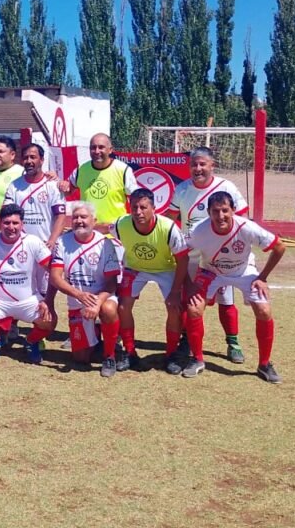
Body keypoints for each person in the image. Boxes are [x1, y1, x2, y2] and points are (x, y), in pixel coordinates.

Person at [180, 191, 285, 383]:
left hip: (244, 271)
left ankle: (264, 364)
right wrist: (190, 282)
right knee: (193, 308)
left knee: (264, 310)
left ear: (233, 210)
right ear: (209, 213)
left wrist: (262, 278)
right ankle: (196, 359)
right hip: (211, 271)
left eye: (225, 211)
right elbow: (181, 252)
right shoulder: (198, 231)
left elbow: (279, 246)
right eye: (215, 211)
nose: (220, 216)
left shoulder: (247, 227)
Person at [165, 146, 250, 364]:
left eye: (203, 164)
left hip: (220, 255)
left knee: (225, 299)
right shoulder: (182, 189)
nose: (198, 168)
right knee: (189, 300)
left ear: (212, 165)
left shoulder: (226, 187)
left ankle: (233, 342)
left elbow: (242, 217)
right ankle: (187, 341)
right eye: (194, 164)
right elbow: (171, 217)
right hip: (192, 257)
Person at [111, 188, 188, 374]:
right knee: (122, 306)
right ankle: (129, 353)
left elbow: (183, 259)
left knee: (174, 306)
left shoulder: (168, 227)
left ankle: (171, 354)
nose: (138, 212)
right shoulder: (121, 224)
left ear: (154, 208)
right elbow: (105, 229)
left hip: (165, 269)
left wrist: (176, 291)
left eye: (143, 207)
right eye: (134, 207)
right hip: (135, 268)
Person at [0, 203, 57, 364]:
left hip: (28, 299)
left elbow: (54, 272)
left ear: (22, 224)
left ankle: (31, 342)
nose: (11, 227)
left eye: (15, 223)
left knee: (49, 321)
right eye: (6, 223)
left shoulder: (33, 242)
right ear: (0, 223)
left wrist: (48, 300)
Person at [48, 202, 123, 376]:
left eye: (84, 217)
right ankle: (96, 336)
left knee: (109, 309)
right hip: (77, 301)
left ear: (94, 220)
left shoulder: (105, 244)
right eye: (75, 217)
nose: (79, 221)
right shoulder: (62, 243)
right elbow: (55, 277)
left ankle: (109, 355)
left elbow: (112, 283)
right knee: (80, 358)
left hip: (102, 298)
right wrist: (79, 295)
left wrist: (96, 303)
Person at [59, 133, 140, 232]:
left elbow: (137, 198)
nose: (97, 151)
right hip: (88, 233)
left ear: (110, 150)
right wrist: (59, 183)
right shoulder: (81, 170)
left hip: (115, 233)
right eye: (93, 148)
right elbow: (67, 190)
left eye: (101, 147)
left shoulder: (123, 170)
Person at [0, 143, 68, 249]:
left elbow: (60, 216)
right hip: (20, 246)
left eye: (33, 157)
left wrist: (52, 240)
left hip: (46, 245)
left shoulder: (53, 185)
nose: (29, 161)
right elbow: (5, 213)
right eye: (25, 158)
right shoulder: (14, 185)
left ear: (41, 160)